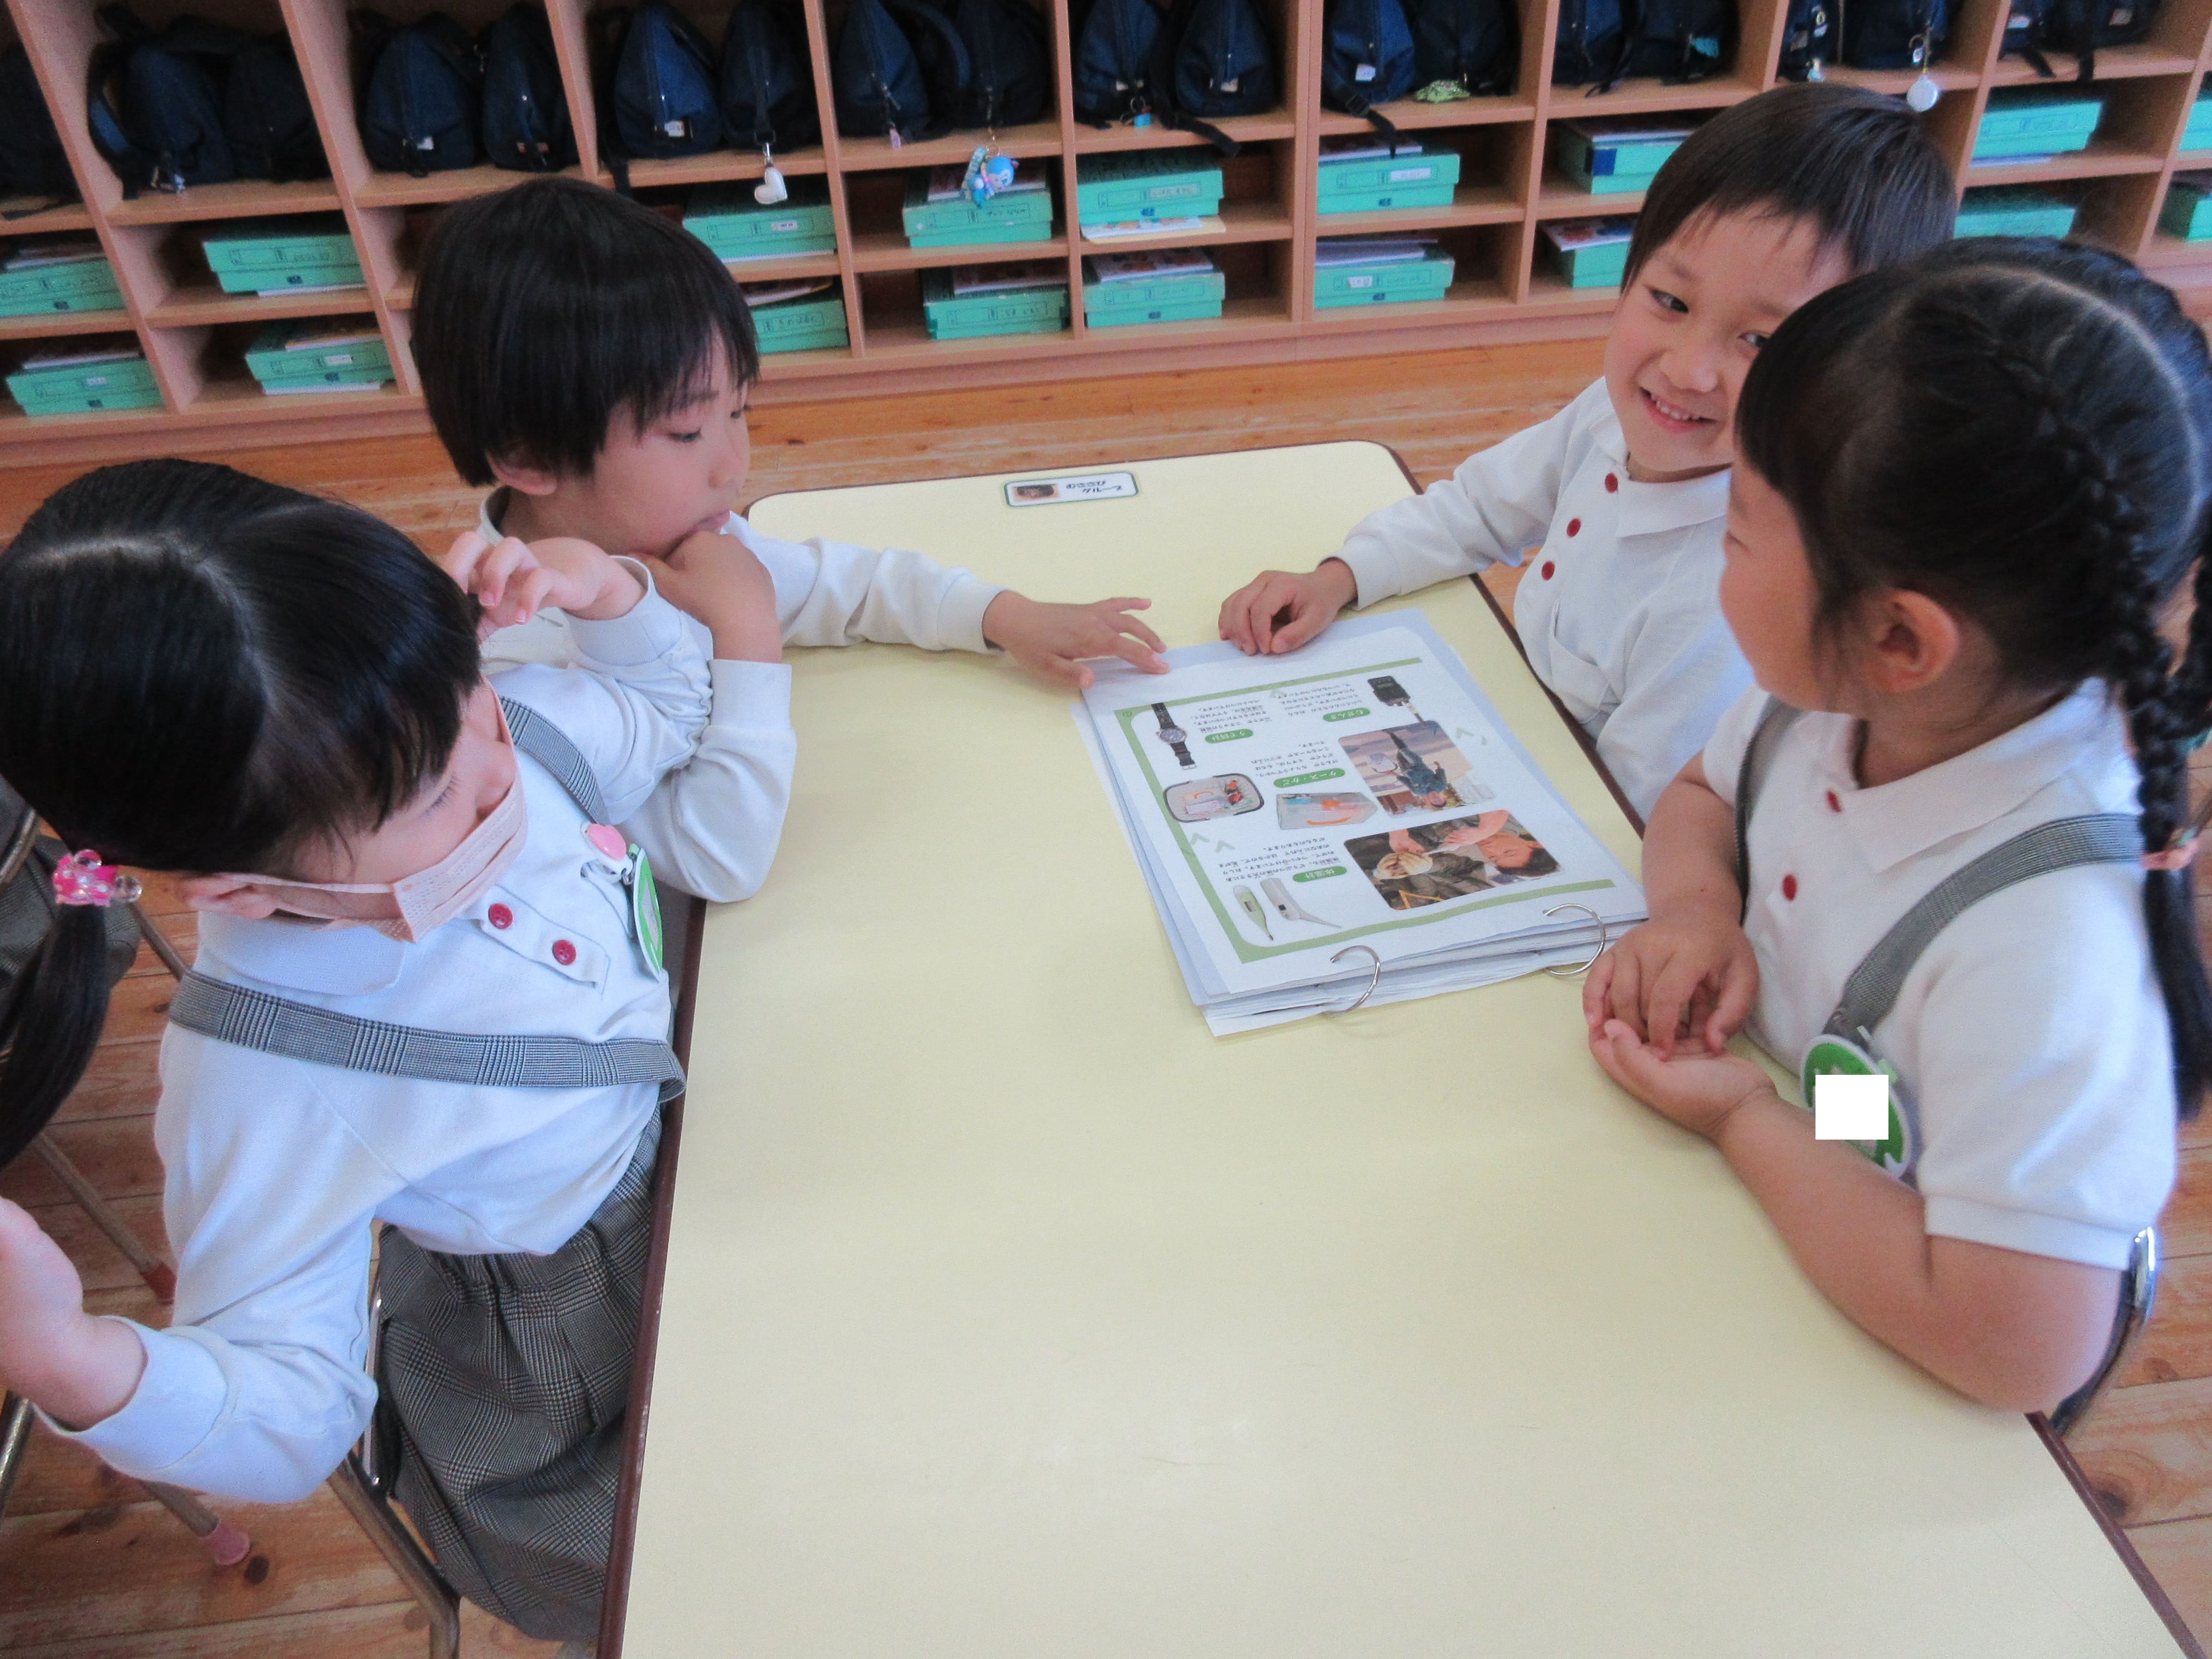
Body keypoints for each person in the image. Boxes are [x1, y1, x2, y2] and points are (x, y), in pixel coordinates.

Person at [0, 460, 716, 1648]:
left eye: (469, 689)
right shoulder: (263, 1077)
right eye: (435, 797)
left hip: (718, 1152)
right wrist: (73, 1361)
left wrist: (608, 596)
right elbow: (292, 1413)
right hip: (589, 1352)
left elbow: (668, 711)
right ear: (237, 888)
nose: (499, 763)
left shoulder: (478, 736)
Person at [1583, 240, 2212, 1413]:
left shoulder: (2051, 956)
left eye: (1739, 528)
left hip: (1909, 1308)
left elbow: (2013, 1350)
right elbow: (1704, 796)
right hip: (1801, 1168)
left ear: (1899, 637)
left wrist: (1749, 1122)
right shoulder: (1835, 699)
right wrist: (1696, 911)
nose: (1718, 546)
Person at [412, 177, 1168, 902]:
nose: (733, 465)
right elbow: (715, 858)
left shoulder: (669, 536)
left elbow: (850, 588)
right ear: (531, 457)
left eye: (739, 412)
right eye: (687, 431)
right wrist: (746, 634)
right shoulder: (511, 682)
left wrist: (1003, 615)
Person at [1215, 84, 1956, 817]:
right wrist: (1341, 577)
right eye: (1671, 301)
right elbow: (1478, 509)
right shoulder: (1612, 412)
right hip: (1519, 725)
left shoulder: (1732, 592)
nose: (1686, 370)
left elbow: (1631, 815)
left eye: (1760, 340)